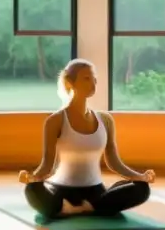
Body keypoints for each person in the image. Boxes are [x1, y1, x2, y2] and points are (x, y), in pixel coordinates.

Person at [19, 59, 155, 221]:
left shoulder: (105, 120)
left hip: (96, 192)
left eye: (94, 79)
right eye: (86, 78)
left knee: (142, 189)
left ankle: (78, 209)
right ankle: (87, 208)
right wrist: (31, 177)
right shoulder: (55, 121)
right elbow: (46, 166)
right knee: (31, 190)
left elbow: (114, 162)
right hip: (61, 191)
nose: (93, 83)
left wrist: (140, 176)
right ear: (70, 82)